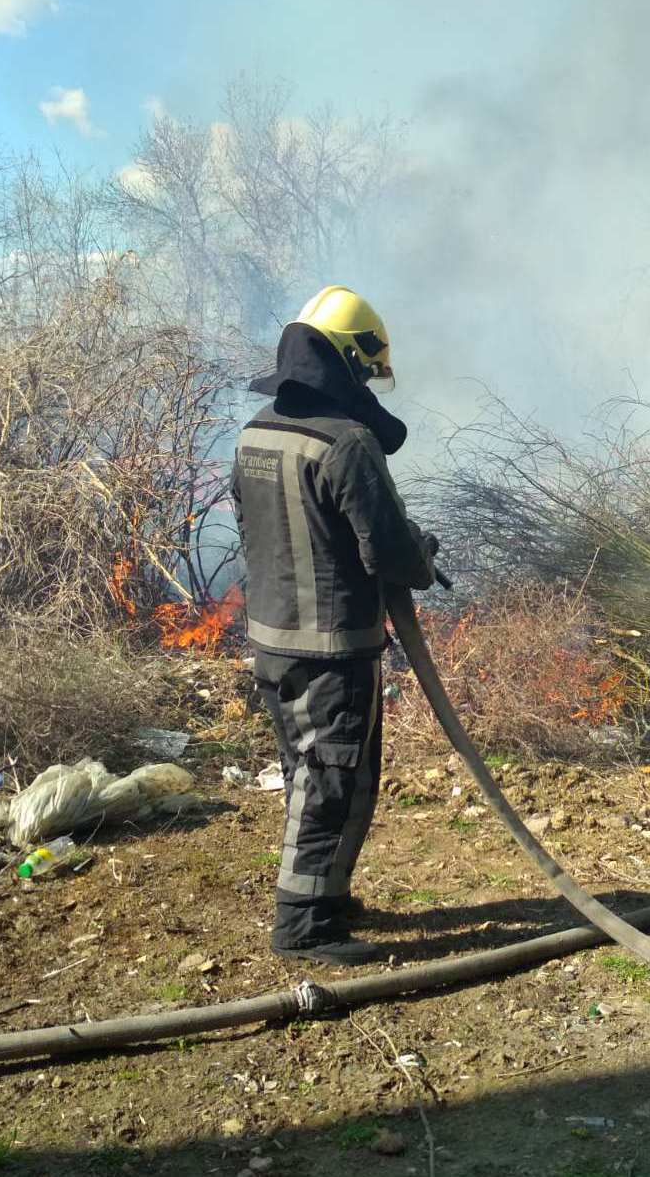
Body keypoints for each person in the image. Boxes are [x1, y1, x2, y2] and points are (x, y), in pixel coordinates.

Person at [231, 286, 437, 966]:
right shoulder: (347, 445)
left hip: (270, 639)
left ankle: (324, 892)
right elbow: (389, 552)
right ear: (347, 362)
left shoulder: (257, 429)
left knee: (306, 771)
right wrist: (420, 553)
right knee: (335, 779)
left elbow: (252, 526)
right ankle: (304, 924)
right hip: (331, 649)